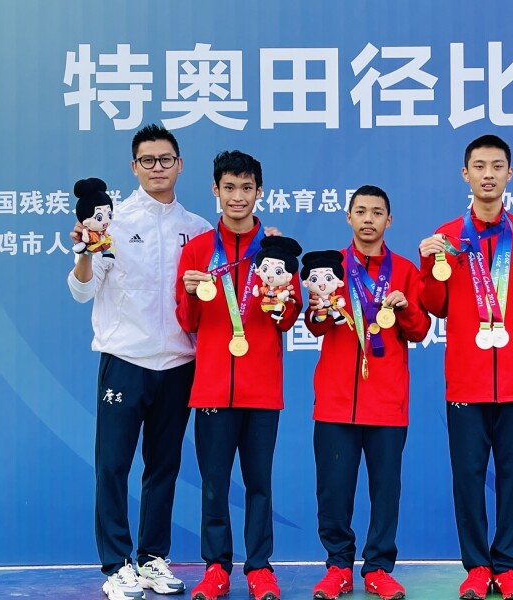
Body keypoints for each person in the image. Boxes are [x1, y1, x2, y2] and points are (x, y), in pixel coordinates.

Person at [67, 124, 212, 600]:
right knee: (113, 465)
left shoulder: (200, 230)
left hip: (178, 363)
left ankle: (152, 559)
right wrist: (85, 253)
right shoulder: (111, 222)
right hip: (125, 360)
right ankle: (116, 565)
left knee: (164, 466)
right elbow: (82, 290)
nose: (157, 168)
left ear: (180, 165)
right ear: (133, 167)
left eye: (165, 159)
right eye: (147, 160)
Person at [418, 135, 513, 600]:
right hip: (466, 378)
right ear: (465, 174)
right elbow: (435, 305)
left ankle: (508, 565)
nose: (487, 173)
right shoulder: (447, 235)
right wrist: (430, 264)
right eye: (478, 165)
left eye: (496, 165)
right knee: (467, 478)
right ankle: (477, 567)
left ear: (509, 174)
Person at [176, 150, 302, 600]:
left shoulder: (275, 250)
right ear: (215, 190)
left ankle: (260, 567)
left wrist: (280, 297)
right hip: (211, 387)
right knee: (213, 485)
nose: (237, 197)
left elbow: (289, 318)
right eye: (229, 187)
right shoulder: (196, 250)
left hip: (262, 389)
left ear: (258, 192)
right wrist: (192, 292)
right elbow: (187, 321)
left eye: (246, 188)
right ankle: (216, 567)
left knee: (259, 484)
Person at [304, 185, 431, 600]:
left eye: (377, 212)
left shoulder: (406, 272)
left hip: (387, 402)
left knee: (385, 490)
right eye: (361, 211)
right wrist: (321, 304)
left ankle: (378, 567)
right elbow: (315, 326)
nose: (369, 219)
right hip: (336, 401)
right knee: (333, 490)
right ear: (348, 217)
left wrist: (406, 306)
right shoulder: (330, 268)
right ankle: (339, 566)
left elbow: (420, 330)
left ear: (388, 220)